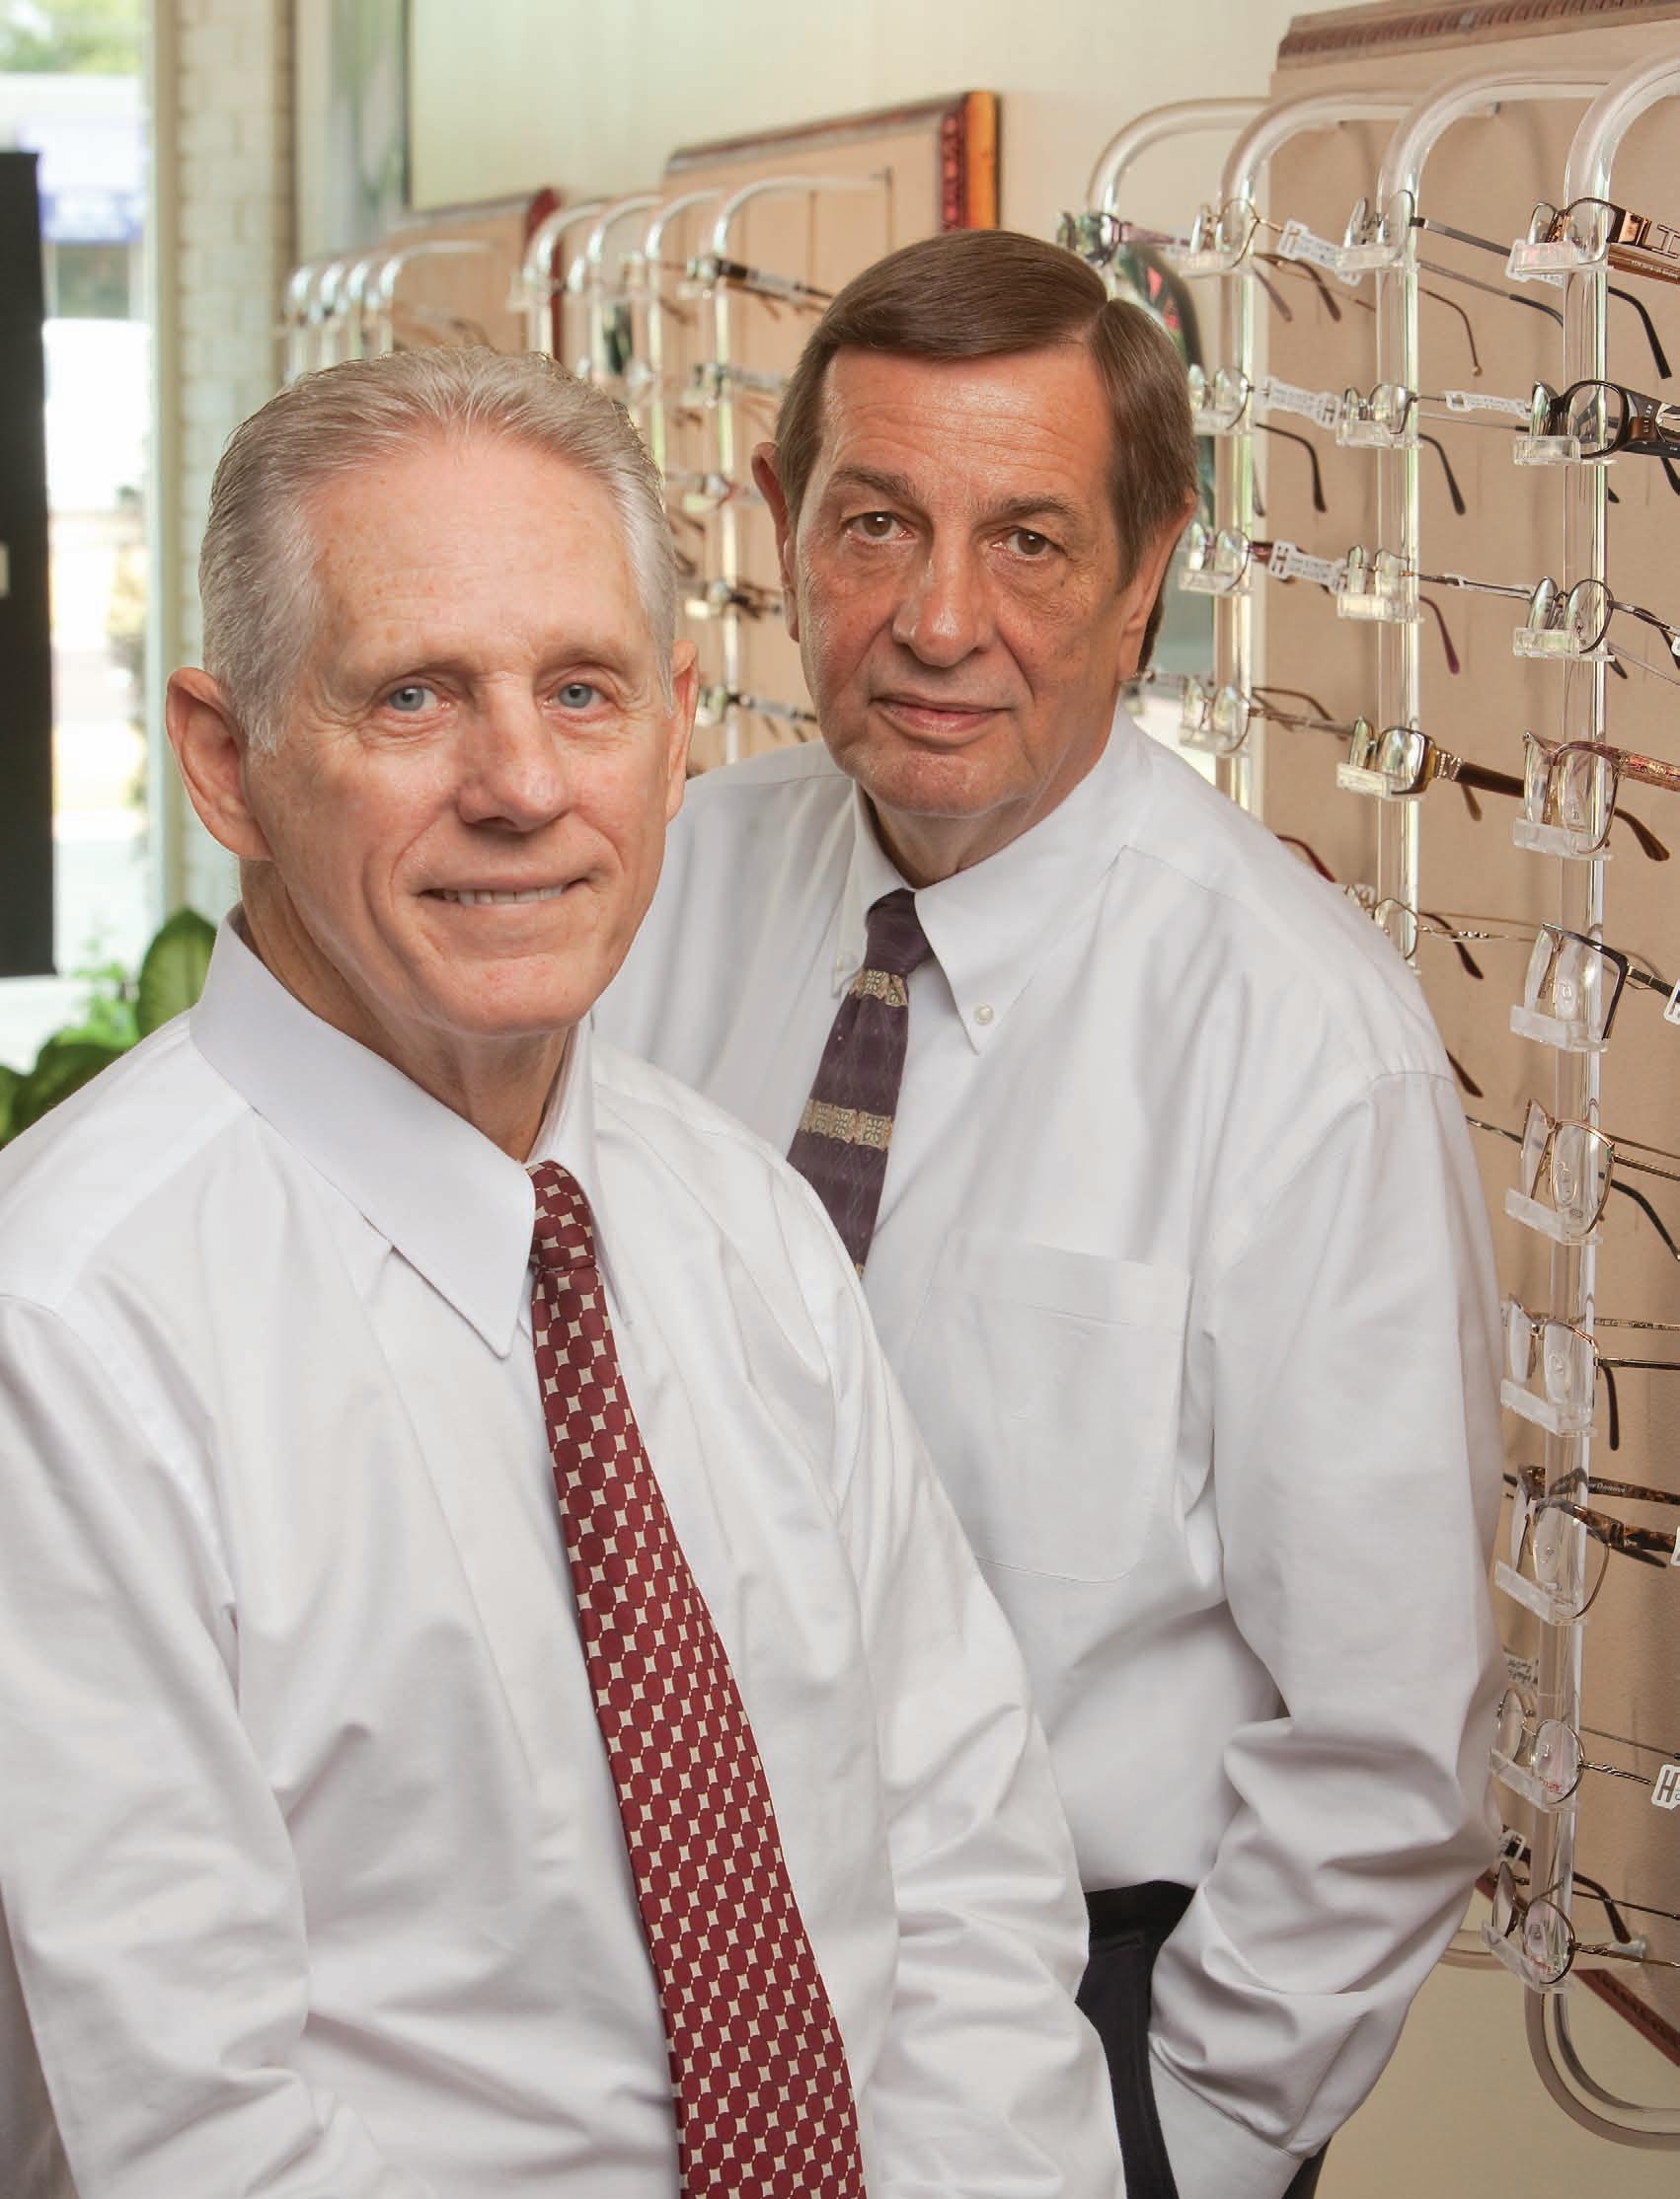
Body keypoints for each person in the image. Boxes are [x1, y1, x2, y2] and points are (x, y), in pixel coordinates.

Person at [0, 347, 1126, 2199]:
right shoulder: (67, 1330)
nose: (521, 785)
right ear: (225, 760)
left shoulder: (738, 1221)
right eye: (413, 695)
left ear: (675, 732)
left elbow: (964, 1873)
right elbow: (194, 2126)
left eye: (582, 692)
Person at [600, 229, 1506, 2199]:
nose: (938, 620)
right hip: (657, 1965)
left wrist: (1176, 2139)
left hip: (1084, 2000)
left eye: (1026, 539)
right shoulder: (657, 896)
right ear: (775, 519)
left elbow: (1386, 1736)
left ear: (1146, 567)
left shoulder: (1293, 1038)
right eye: (874, 524)